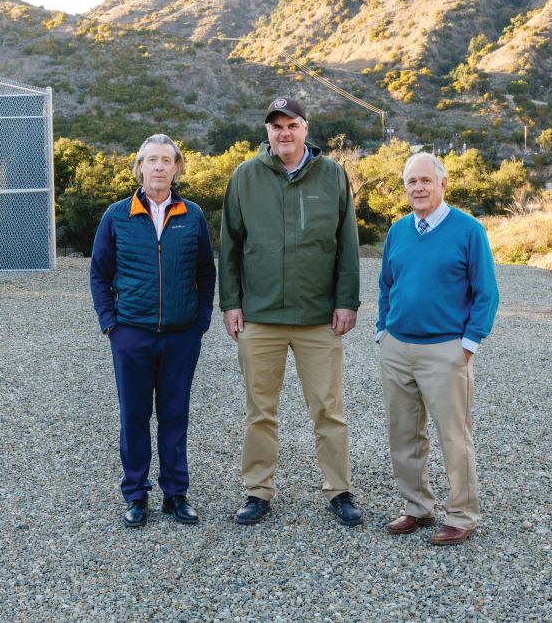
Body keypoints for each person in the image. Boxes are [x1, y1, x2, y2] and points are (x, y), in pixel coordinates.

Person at [219, 97, 362, 526]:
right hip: (260, 316)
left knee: (328, 410)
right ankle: (257, 491)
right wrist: (230, 303)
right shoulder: (245, 176)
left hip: (318, 317)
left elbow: (347, 244)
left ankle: (339, 490)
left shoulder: (333, 174)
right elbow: (229, 245)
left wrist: (346, 300)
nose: (284, 132)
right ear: (267, 132)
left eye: (292, 124)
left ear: (306, 128)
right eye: (276, 125)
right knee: (260, 411)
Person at [90, 134, 215, 528]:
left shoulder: (192, 214)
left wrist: (199, 323)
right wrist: (111, 323)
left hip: (180, 336)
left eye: (167, 160)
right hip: (132, 336)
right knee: (135, 416)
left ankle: (176, 494)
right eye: (152, 160)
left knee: (175, 416)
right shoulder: (116, 215)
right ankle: (136, 495)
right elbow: (99, 274)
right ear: (139, 167)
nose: (159, 167)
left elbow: (205, 273)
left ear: (177, 169)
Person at [377, 152, 499, 546]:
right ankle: (416, 507)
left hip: (445, 350)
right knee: (404, 432)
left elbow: (486, 293)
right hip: (398, 348)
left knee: (453, 435)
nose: (418, 188)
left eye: (426, 180)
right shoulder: (397, 231)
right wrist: (383, 331)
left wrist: (468, 344)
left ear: (443, 184)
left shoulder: (468, 230)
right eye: (412, 181)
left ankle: (462, 515)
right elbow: (386, 285)